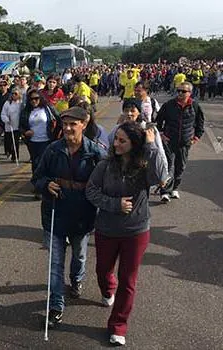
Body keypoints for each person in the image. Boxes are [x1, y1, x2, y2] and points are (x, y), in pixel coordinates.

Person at [86, 122, 167, 346]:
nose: (116, 143)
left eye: (123, 140)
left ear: (134, 144)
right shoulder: (105, 164)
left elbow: (161, 177)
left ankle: (118, 325)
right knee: (103, 270)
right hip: (106, 229)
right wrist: (114, 204)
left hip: (136, 230)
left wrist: (151, 146)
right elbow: (91, 190)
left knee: (128, 280)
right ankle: (108, 288)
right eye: (116, 139)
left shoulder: (144, 165)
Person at [32, 107, 106, 329]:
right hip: (55, 213)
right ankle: (56, 306)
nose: (68, 128)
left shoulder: (95, 153)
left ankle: (77, 280)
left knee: (79, 257)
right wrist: (46, 184)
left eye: (73, 124)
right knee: (55, 264)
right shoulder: (53, 150)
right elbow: (37, 178)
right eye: (65, 124)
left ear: (84, 124)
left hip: (82, 216)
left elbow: (109, 180)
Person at [157, 82, 204, 202]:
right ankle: (165, 191)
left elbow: (200, 123)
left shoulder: (195, 106)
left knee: (180, 166)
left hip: (185, 142)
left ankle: (174, 188)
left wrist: (196, 137)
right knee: (168, 165)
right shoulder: (169, 105)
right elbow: (158, 120)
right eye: (178, 91)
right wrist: (162, 134)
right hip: (169, 140)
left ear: (190, 93)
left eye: (183, 91)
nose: (180, 93)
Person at [20, 90, 62, 199]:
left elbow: (59, 120)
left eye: (36, 98)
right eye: (31, 99)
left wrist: (55, 134)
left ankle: (42, 188)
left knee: (42, 163)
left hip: (46, 140)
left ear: (41, 98)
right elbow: (21, 126)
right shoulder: (26, 111)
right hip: (32, 142)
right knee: (35, 163)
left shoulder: (47, 108)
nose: (34, 101)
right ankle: (38, 185)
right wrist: (25, 132)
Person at [0, 86, 22, 162]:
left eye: (15, 94)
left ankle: (15, 157)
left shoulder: (21, 103)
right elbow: (3, 114)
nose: (14, 95)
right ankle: (9, 152)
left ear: (19, 94)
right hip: (9, 126)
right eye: (12, 94)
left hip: (17, 127)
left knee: (16, 143)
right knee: (9, 143)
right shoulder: (7, 103)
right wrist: (6, 119)